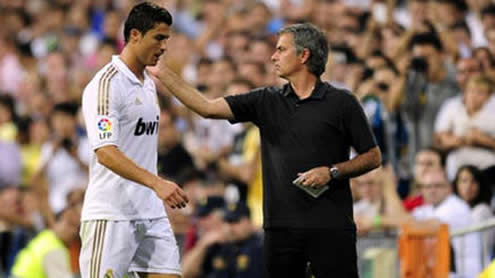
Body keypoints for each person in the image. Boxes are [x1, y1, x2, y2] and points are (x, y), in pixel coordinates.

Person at [150, 23, 381, 278]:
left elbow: (372, 156)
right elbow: (207, 107)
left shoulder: (342, 102)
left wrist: (332, 172)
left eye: (281, 50)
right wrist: (164, 73)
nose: (273, 56)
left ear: (303, 56)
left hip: (331, 227)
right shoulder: (265, 100)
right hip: (280, 231)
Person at [80, 2, 188, 278]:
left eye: (167, 39)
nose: (164, 46)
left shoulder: (147, 81)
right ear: (135, 35)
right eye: (159, 38)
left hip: (151, 211)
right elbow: (105, 152)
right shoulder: (106, 84)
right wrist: (156, 182)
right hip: (112, 213)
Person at [11, 203, 81, 278]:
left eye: (77, 228)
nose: (73, 232)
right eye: (69, 224)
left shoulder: (46, 236)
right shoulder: (54, 249)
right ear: (56, 222)